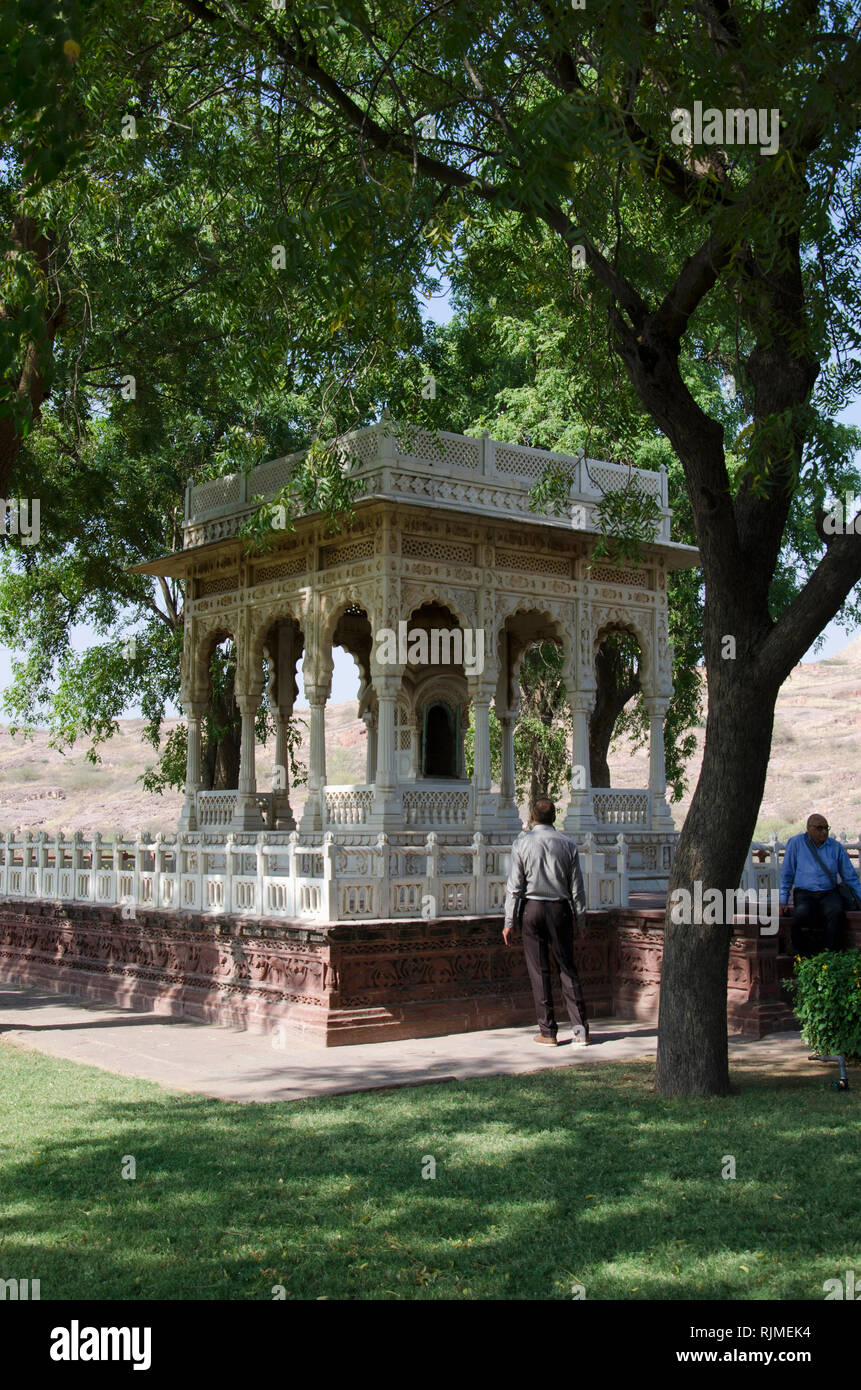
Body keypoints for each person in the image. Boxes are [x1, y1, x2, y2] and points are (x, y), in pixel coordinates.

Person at [503, 797, 589, 1046]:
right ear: (554, 816)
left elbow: (514, 887)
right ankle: (580, 1031)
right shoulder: (568, 844)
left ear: (532, 817)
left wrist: (509, 922)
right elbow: (577, 890)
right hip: (560, 910)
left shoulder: (522, 843)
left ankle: (548, 1032)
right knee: (567, 968)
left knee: (539, 971)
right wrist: (581, 921)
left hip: (533, 909)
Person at [779, 813, 861, 956]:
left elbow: (850, 877)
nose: (824, 832)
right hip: (804, 892)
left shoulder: (835, 847)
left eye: (826, 828)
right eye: (819, 828)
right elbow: (787, 872)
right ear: (808, 828)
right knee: (801, 915)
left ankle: (829, 954)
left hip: (829, 891)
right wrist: (783, 899)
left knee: (836, 912)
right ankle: (803, 955)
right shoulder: (796, 843)